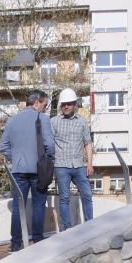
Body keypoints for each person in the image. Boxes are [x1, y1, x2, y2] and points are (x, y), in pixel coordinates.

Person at [0, 90, 54, 251]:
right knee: (38, 204)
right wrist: (47, 158)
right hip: (38, 169)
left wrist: (15, 157)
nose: (44, 109)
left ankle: (15, 244)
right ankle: (37, 241)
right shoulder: (43, 119)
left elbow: (3, 147)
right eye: (44, 105)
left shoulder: (12, 121)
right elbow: (49, 145)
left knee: (18, 207)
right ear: (36, 101)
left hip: (18, 170)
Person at [50, 88, 94, 230]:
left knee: (87, 194)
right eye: (63, 104)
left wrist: (90, 164)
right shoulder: (54, 122)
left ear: (75, 104)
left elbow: (87, 143)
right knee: (64, 198)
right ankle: (67, 229)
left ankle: (90, 225)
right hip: (61, 166)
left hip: (79, 165)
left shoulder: (82, 122)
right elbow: (49, 144)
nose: (66, 106)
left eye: (69, 104)